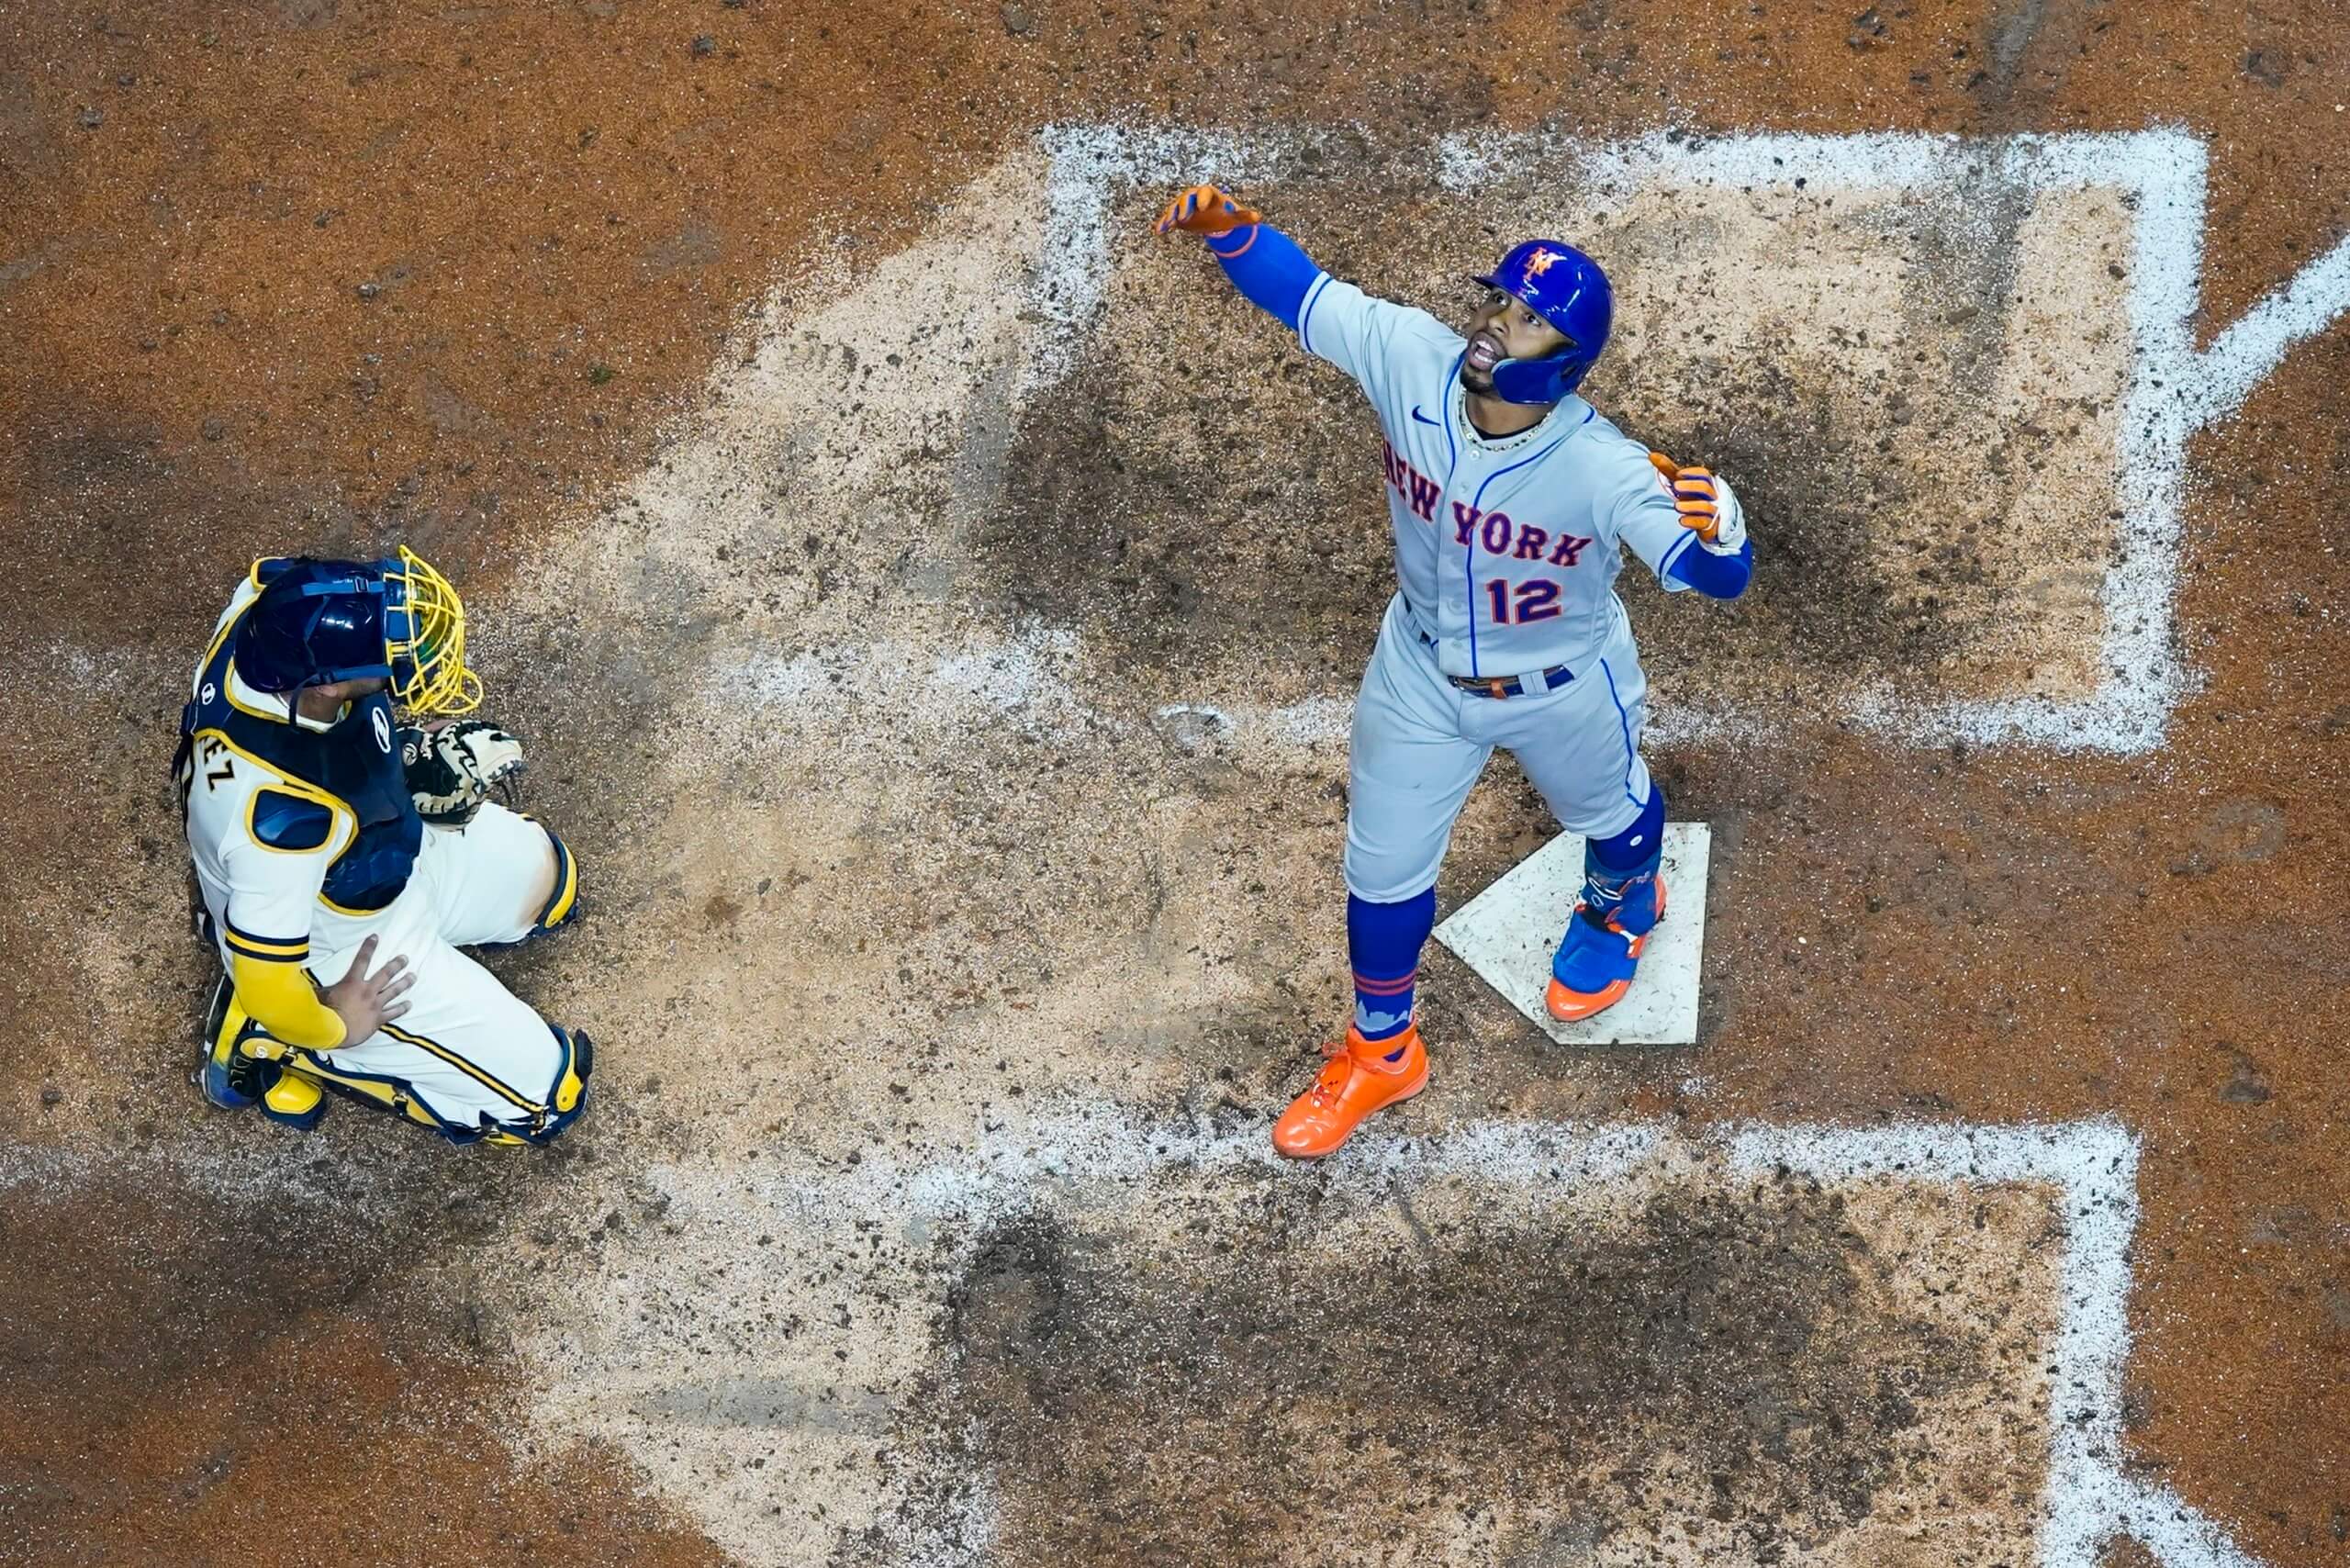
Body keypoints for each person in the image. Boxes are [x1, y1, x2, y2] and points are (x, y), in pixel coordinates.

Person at [1154, 185, 1755, 1159]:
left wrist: (1723, 528)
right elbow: (1306, 294)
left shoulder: (1606, 470)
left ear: (1560, 360)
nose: (1493, 326)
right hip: (1418, 676)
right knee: (1380, 869)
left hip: (1562, 683)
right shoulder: (1413, 361)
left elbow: (1714, 578)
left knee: (1605, 812)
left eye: (1523, 321)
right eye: (1500, 305)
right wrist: (1232, 234)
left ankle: (1626, 896)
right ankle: (1382, 1050)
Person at [174, 549, 590, 1146]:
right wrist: (334, 1023)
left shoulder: (259, 611)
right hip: (347, 945)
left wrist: (412, 755)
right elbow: (269, 977)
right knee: (547, 1102)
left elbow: (278, 573)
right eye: (386, 652)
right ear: (325, 684)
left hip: (388, 854)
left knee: (555, 884)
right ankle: (273, 1044)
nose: (407, 646)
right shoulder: (284, 822)